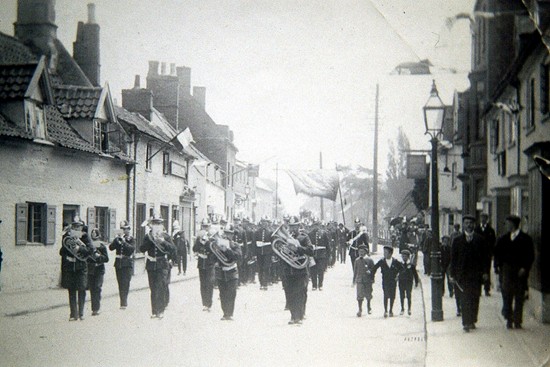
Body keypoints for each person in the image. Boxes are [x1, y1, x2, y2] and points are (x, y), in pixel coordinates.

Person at [494, 215, 534, 329]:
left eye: (508, 223)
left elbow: (530, 255)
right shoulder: (503, 239)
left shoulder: (525, 239)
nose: (506, 225)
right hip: (506, 271)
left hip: (520, 271)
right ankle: (508, 318)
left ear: (514, 224)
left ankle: (517, 320)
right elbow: (497, 254)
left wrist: (525, 268)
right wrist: (497, 267)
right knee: (506, 296)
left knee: (519, 296)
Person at [449, 215, 488, 332]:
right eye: (466, 223)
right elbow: (453, 259)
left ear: (474, 225)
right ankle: (466, 322)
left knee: (475, 297)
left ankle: (472, 320)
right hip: (462, 275)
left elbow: (485, 258)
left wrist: (485, 272)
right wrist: (452, 274)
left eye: (471, 223)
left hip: (476, 274)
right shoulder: (457, 241)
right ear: (463, 225)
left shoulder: (480, 240)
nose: (469, 225)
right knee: (464, 298)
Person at [139, 214, 176, 319]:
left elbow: (173, 249)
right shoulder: (148, 236)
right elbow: (141, 249)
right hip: (151, 265)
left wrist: (163, 242)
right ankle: (154, 311)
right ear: (152, 224)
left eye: (159, 223)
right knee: (153, 288)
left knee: (160, 287)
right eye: (155, 223)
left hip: (162, 265)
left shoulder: (165, 236)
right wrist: (150, 242)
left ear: (161, 225)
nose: (157, 225)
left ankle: (160, 310)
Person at [281, 217, 314, 325]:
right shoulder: (285, 239)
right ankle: (293, 316)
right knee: (290, 293)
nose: (292, 228)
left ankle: (299, 316)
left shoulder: (304, 238)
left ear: (298, 226)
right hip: (288, 270)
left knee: (299, 293)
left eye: (294, 226)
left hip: (300, 270)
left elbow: (310, 251)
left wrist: (298, 249)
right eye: (290, 226)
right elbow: (281, 253)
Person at [60, 217, 93, 321]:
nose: (76, 228)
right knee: (71, 290)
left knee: (82, 289)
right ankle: (73, 314)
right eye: (74, 226)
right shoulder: (67, 237)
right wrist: (68, 245)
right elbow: (62, 251)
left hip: (81, 266)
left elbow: (90, 250)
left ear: (81, 227)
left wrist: (79, 248)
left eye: (78, 226)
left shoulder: (85, 237)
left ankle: (81, 313)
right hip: (70, 267)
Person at [214, 224, 242, 320]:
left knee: (231, 293)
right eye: (226, 233)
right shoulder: (218, 245)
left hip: (232, 272)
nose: (227, 236)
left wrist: (228, 250)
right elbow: (214, 257)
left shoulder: (235, 245)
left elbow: (238, 256)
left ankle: (229, 313)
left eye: (229, 234)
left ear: (232, 235)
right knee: (222, 294)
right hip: (221, 272)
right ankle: (225, 313)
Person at [109, 220, 135, 309]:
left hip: (127, 263)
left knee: (126, 283)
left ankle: (124, 302)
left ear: (128, 229)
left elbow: (131, 249)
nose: (123, 231)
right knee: (120, 283)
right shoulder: (118, 238)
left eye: (125, 229)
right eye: (122, 229)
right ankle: (122, 302)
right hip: (118, 263)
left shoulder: (131, 239)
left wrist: (124, 242)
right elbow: (111, 248)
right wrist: (116, 240)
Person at [193, 218, 216, 311]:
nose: (205, 228)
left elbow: (214, 249)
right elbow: (194, 249)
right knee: (203, 284)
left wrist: (207, 242)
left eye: (207, 226)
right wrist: (199, 241)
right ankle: (205, 303)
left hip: (210, 263)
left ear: (209, 227)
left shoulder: (213, 237)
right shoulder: (199, 237)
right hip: (201, 263)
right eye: (203, 226)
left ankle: (209, 303)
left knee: (209, 283)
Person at [373, 245, 403, 318]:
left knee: (392, 295)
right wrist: (371, 276)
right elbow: (374, 268)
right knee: (386, 295)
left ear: (390, 253)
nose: (384, 254)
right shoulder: (382, 261)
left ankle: (391, 310)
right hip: (385, 281)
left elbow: (402, 269)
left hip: (393, 281)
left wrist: (398, 276)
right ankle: (385, 310)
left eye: (386, 252)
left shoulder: (395, 262)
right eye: (384, 252)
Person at [87, 228, 109, 316]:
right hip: (91, 269)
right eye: (92, 234)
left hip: (99, 269)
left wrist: (99, 256)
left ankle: (97, 308)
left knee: (97, 287)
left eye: (95, 234)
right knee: (92, 288)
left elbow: (106, 258)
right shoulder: (89, 245)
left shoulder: (102, 246)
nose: (93, 235)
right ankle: (94, 309)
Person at [475, 213, 496, 296]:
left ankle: (487, 289)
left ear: (487, 219)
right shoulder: (476, 229)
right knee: (478, 271)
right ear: (480, 219)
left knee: (486, 271)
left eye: (484, 218)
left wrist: (491, 253)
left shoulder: (491, 230)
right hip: (477, 254)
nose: (483, 220)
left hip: (487, 255)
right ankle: (478, 289)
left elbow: (493, 242)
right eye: (482, 218)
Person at [353, 244, 375, 317]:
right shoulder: (357, 260)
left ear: (366, 252)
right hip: (359, 280)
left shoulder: (370, 260)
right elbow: (355, 271)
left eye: (362, 251)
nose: (361, 253)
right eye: (359, 252)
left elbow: (373, 269)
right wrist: (354, 281)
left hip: (367, 280)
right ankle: (360, 309)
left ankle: (369, 307)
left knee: (368, 294)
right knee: (359, 295)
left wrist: (371, 274)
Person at [309, 218, 330, 291]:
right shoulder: (310, 234)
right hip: (313, 255)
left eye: (317, 225)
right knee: (313, 270)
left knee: (321, 270)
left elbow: (327, 245)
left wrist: (328, 255)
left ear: (319, 225)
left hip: (321, 255)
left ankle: (320, 285)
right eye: (315, 225)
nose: (316, 227)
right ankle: (314, 285)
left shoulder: (323, 233)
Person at [254, 216, 273, 290]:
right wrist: (254, 254)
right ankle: (261, 283)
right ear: (261, 223)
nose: (264, 224)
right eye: (263, 222)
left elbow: (272, 243)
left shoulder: (270, 232)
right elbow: (254, 244)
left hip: (267, 252)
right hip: (259, 252)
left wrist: (272, 254)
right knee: (260, 268)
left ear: (267, 223)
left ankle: (265, 283)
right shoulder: (257, 232)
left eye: (266, 222)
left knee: (266, 268)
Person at [398, 249, 419, 316]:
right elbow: (396, 272)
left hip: (408, 282)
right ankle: (402, 309)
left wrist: (416, 282)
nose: (404, 258)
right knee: (401, 295)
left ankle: (409, 308)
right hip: (401, 282)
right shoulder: (400, 264)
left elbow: (415, 274)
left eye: (405, 256)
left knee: (409, 295)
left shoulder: (411, 265)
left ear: (408, 257)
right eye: (403, 256)